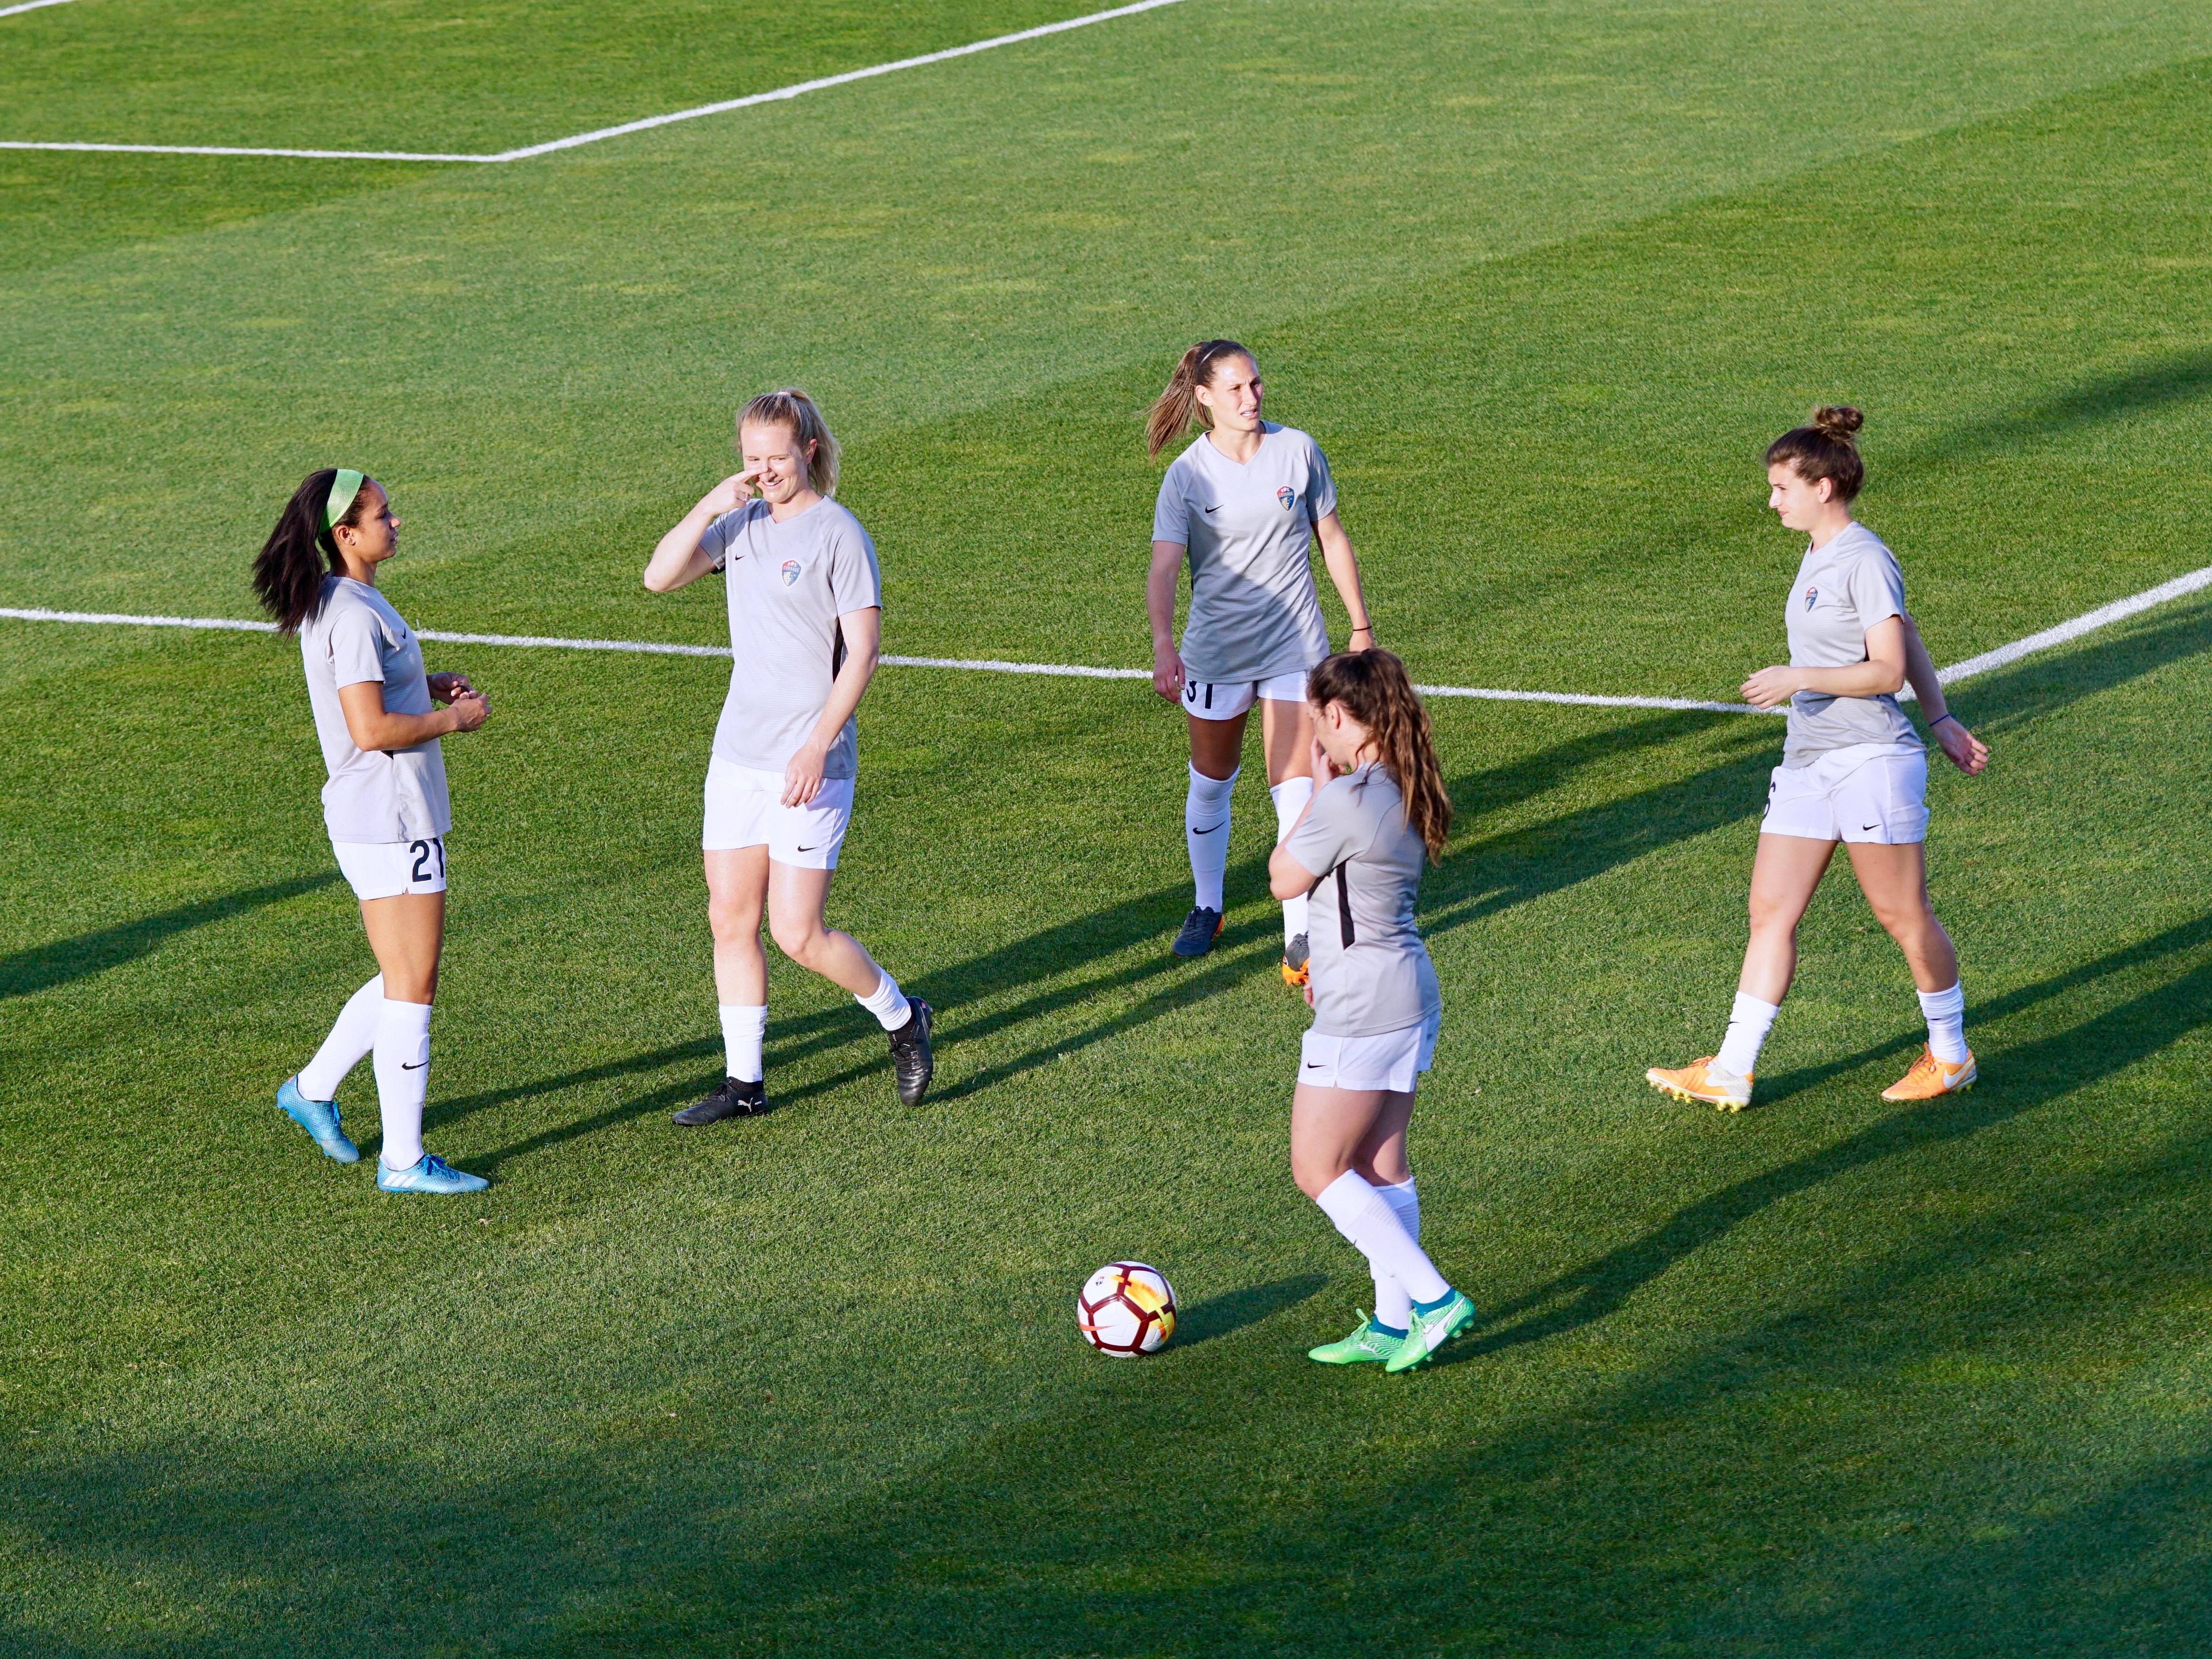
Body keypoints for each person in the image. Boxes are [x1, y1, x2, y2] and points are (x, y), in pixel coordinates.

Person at [1647, 407, 1989, 1112]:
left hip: (1868, 759)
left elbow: (1886, 667)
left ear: (1823, 487)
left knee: (1902, 915)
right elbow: (1907, 632)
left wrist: (1799, 677)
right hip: (1807, 760)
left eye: (1781, 488)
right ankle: (1731, 1069)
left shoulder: (1863, 556)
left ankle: (1950, 1055)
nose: (1771, 500)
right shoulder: (1818, 556)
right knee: (1768, 911)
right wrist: (1944, 717)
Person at [644, 388, 933, 1123]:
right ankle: (745, 1085)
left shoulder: (838, 532)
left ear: (807, 451)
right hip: (738, 754)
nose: (764, 471)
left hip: (811, 759)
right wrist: (711, 503)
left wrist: (816, 744)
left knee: (797, 932)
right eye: (750, 460)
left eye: (775, 457)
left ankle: (902, 1020)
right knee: (729, 920)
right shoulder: (738, 526)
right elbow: (658, 576)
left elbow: (863, 653)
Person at [252, 468, 493, 1193]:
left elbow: (374, 697)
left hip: (379, 816)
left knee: (401, 977)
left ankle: (314, 1090)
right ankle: (403, 1161)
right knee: (413, 988)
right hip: (391, 819)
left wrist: (426, 684)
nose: (397, 523)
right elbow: (370, 728)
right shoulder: (353, 612)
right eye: (384, 515)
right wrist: (452, 718)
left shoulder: (340, 599)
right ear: (345, 534)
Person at [1269, 651, 1476, 1373]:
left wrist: (1314, 795)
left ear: (1333, 715)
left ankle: (1433, 1299)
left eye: (1314, 722)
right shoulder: (1407, 784)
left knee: (1316, 1168)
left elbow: (1281, 877)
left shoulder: (1348, 797)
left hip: (1360, 1008)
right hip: (1407, 993)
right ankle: (1392, 1327)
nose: (1314, 737)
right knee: (1380, 1165)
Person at [1147, 339, 1376, 984]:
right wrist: (1164, 646)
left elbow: (1330, 536)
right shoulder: (1187, 476)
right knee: (1212, 779)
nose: (1251, 399)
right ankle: (1207, 905)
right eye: (1236, 389)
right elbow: (1165, 567)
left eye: (1256, 386)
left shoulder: (1297, 451)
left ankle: (1298, 935)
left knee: (1294, 786)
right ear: (1203, 398)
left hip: (1293, 645)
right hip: (1217, 654)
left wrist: (1358, 627)